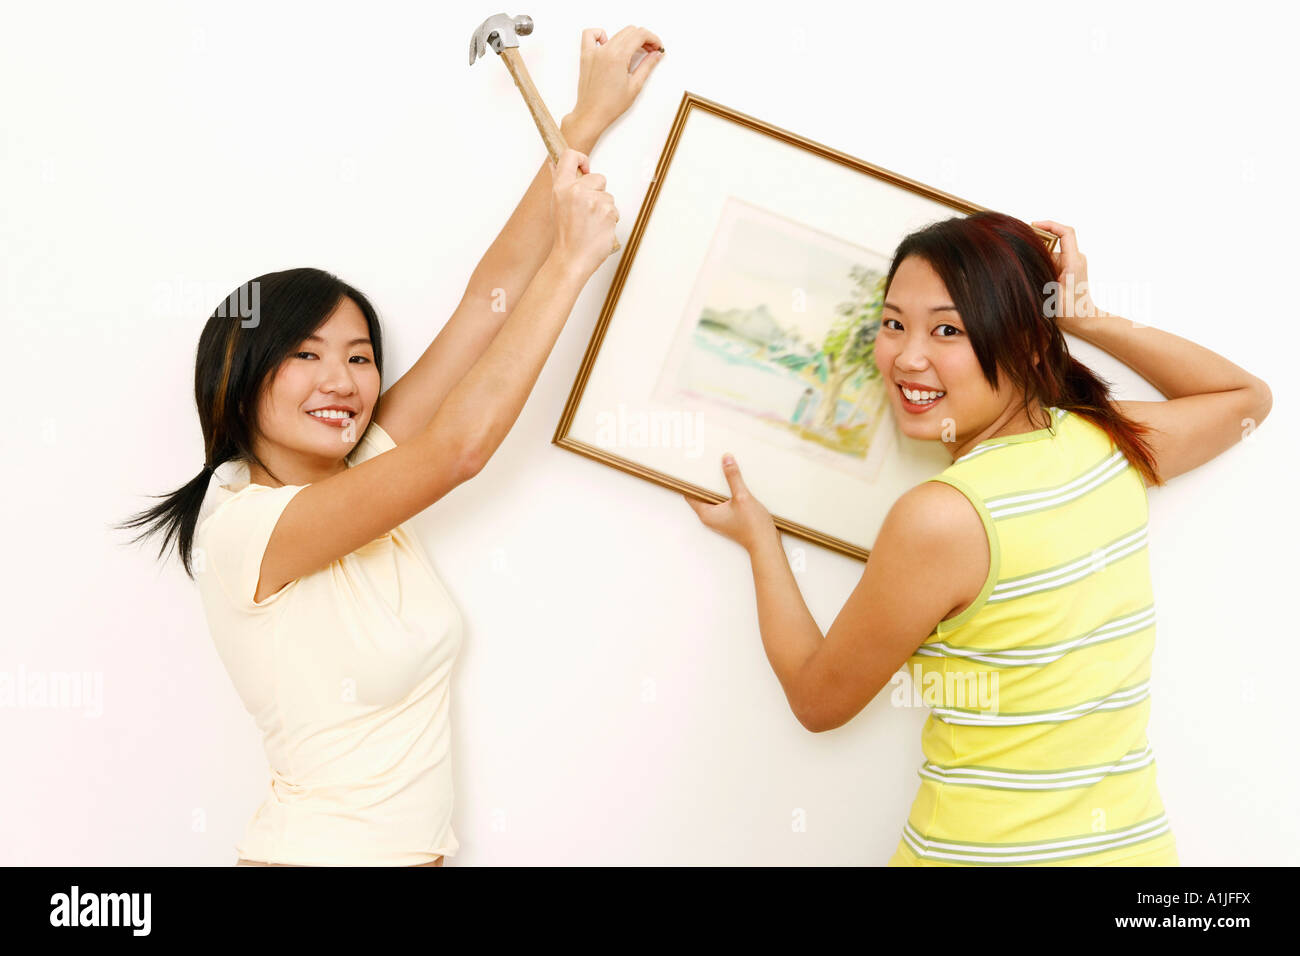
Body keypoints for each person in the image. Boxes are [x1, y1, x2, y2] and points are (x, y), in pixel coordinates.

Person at [115, 26, 665, 867]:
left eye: (359, 356)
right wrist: (573, 262)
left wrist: (581, 124)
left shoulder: (360, 469)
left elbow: (488, 301)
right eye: (305, 355)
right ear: (239, 372)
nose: (341, 380)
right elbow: (458, 452)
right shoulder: (246, 526)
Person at [685, 212, 1272, 866]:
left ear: (1023, 342)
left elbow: (818, 701)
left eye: (947, 329)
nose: (907, 355)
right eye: (892, 323)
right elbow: (1244, 397)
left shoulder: (940, 517)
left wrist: (761, 541)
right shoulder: (1106, 443)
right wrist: (1082, 316)